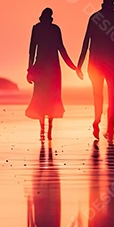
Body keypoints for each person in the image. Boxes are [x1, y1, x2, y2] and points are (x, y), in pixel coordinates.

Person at [76, 0, 114, 140]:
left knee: (98, 95)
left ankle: (99, 122)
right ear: (113, 5)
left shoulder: (95, 19)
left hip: (96, 64)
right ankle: (109, 128)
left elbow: (86, 42)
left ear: (103, 4)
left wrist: (80, 64)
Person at [25, 8, 77, 140]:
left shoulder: (44, 29)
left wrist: (73, 67)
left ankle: (45, 129)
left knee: (46, 98)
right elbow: (60, 49)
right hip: (49, 68)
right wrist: (30, 70)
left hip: (46, 68)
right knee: (46, 98)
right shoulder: (51, 29)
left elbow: (33, 51)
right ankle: (47, 129)